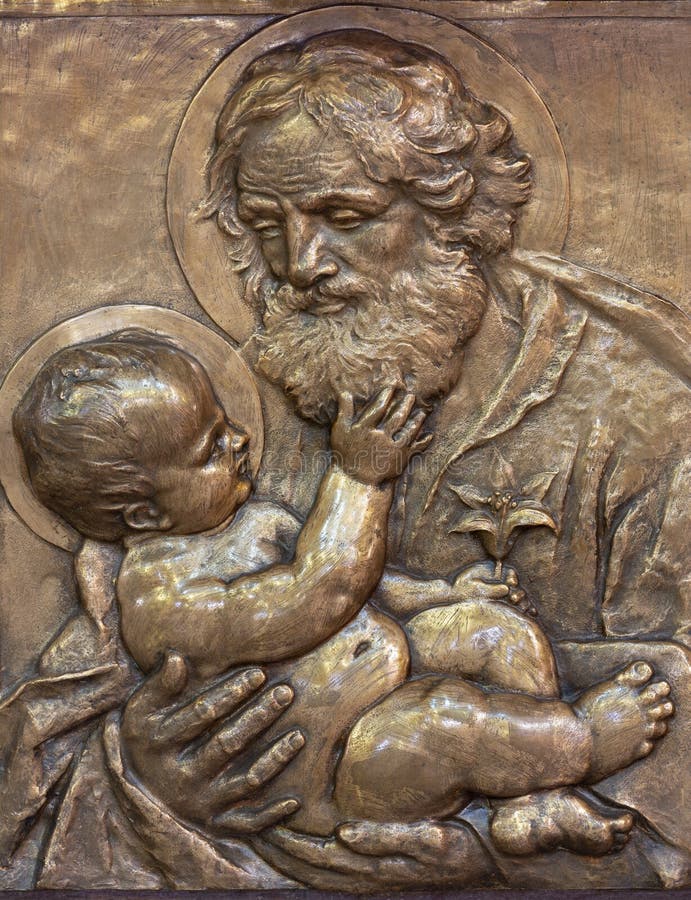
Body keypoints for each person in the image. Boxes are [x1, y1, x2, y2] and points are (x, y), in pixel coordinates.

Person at [14, 329, 673, 849]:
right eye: (211, 447)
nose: (242, 440)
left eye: (226, 424)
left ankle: (529, 802)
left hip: (384, 674)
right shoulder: (162, 601)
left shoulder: (249, 521)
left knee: (489, 631)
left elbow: (365, 587)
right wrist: (359, 479)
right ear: (144, 515)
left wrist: (440, 593)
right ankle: (579, 744)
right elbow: (317, 597)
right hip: (347, 767)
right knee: (441, 722)